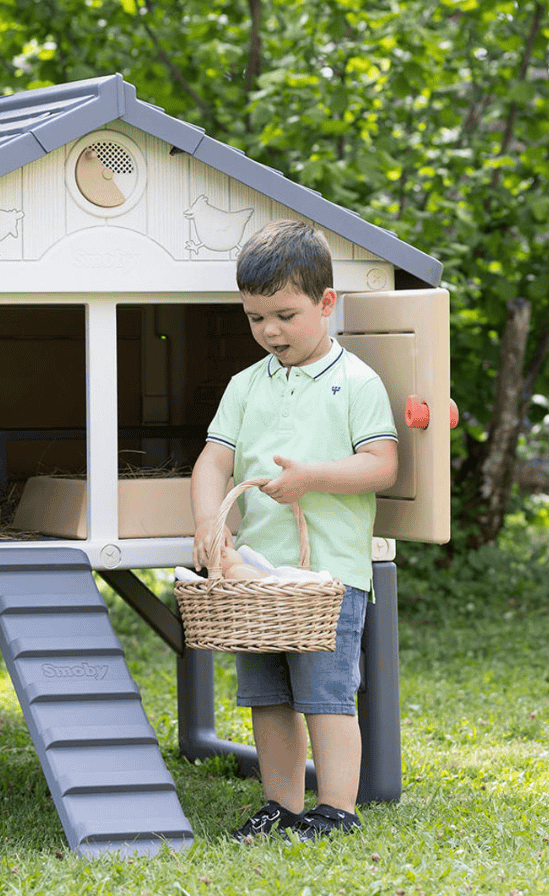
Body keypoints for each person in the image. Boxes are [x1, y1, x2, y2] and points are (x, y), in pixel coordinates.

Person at [190, 219, 398, 842]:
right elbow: (214, 460)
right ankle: (281, 806)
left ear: (327, 303)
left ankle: (336, 810)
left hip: (326, 576)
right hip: (258, 576)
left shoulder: (354, 381)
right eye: (256, 319)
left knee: (325, 694)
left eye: (284, 314)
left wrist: (311, 478)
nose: (270, 331)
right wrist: (210, 521)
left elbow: (381, 464)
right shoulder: (246, 384)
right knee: (268, 696)